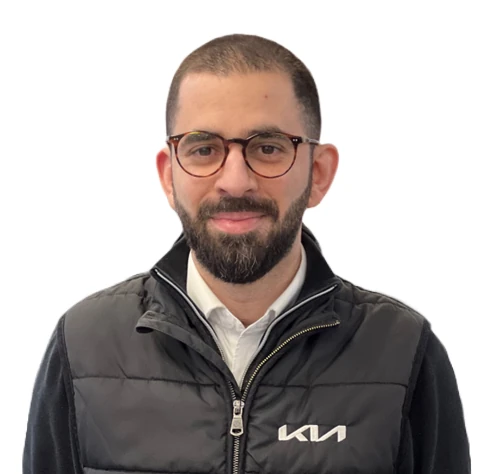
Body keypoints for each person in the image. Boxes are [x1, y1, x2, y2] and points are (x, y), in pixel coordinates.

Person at [23, 34, 470, 474]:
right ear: (169, 175)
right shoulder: (84, 346)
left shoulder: (403, 352)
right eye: (203, 148)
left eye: (268, 148)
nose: (235, 182)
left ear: (318, 173)